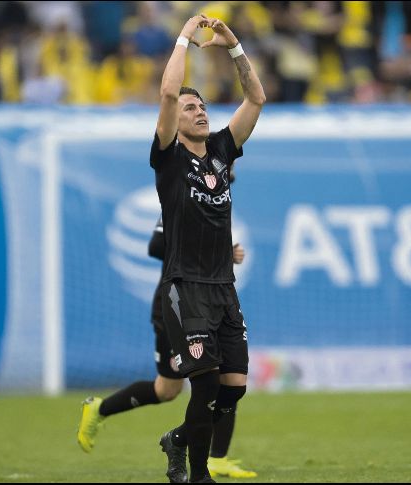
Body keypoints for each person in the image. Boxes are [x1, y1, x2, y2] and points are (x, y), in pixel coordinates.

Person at [150, 13, 265, 483]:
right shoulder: (169, 159)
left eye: (202, 106)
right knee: (204, 384)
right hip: (185, 288)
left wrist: (233, 45)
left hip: (224, 288)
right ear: (175, 120)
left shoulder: (222, 149)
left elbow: (256, 98)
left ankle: (177, 439)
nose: (199, 111)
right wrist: (184, 38)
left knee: (232, 389)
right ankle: (197, 473)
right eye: (189, 106)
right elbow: (166, 93)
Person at [77, 202, 256, 479]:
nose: (231, 163)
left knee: (221, 379)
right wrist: (219, 252)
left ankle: (215, 455)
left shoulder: (218, 197)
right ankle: (101, 409)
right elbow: (156, 246)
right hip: (177, 306)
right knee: (171, 389)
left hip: (211, 303)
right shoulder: (183, 195)